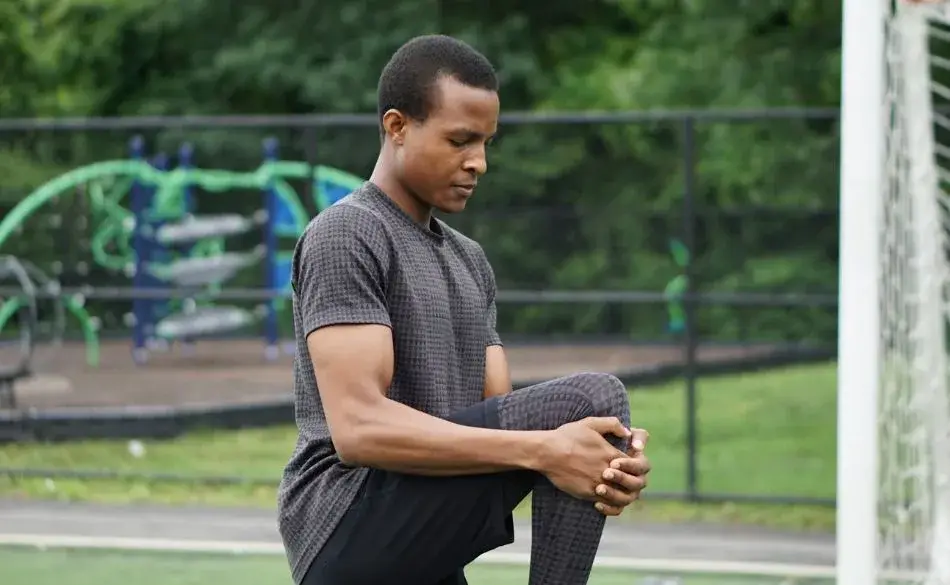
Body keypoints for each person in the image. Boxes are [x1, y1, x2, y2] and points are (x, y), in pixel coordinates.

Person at [277, 34, 652, 585]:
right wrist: (550, 448)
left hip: (424, 528)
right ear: (397, 126)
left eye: (486, 143)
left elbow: (498, 416)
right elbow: (358, 430)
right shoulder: (347, 233)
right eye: (459, 140)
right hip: (348, 519)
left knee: (593, 416)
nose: (477, 162)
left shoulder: (469, 259)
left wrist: (602, 458)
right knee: (589, 399)